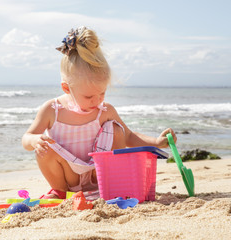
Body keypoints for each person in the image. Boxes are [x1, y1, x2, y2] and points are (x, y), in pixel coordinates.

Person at [22, 26, 177, 199]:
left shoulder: (105, 111)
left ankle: (114, 186)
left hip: (100, 174)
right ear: (67, 88)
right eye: (88, 96)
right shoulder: (52, 110)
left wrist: (156, 142)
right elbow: (26, 138)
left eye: (102, 93)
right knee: (43, 148)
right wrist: (35, 140)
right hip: (68, 176)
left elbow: (128, 136)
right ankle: (59, 192)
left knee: (116, 129)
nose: (97, 101)